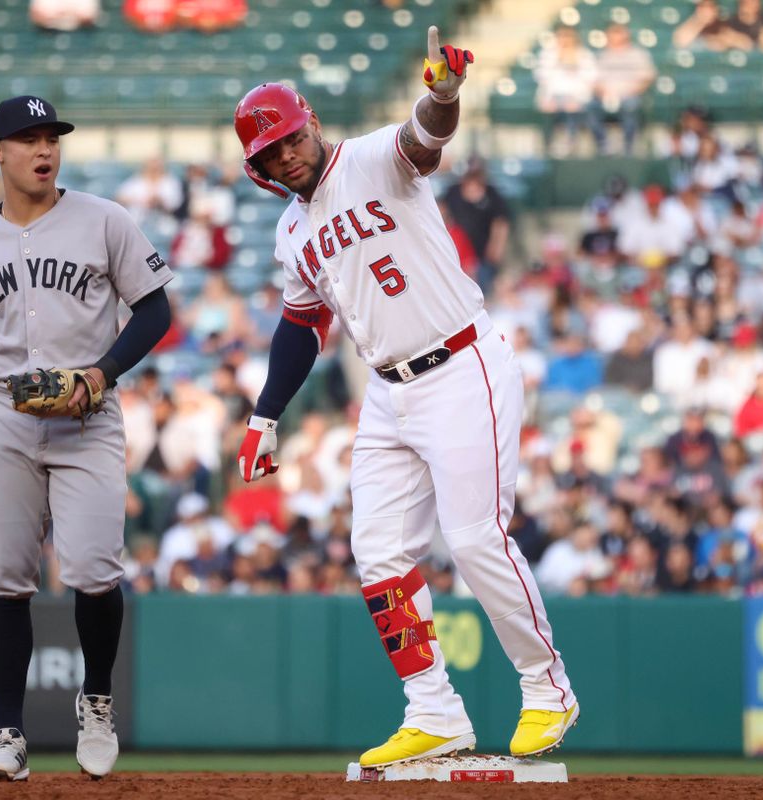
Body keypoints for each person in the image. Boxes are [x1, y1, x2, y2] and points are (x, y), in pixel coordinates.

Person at [231, 28, 577, 767]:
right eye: (270, 155)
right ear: (258, 169)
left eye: (290, 140)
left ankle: (548, 686)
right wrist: (264, 414)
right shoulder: (292, 232)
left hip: (461, 364)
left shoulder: (367, 157)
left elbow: (424, 140)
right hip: (388, 394)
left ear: (311, 123)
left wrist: (443, 95)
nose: (286, 156)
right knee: (377, 551)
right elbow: (301, 324)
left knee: (476, 537)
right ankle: (434, 710)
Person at [0, 96, 173, 781]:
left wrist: (104, 371)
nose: (44, 149)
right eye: (27, 138)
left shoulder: (104, 220)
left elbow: (154, 309)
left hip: (88, 413)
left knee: (94, 568)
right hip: (6, 412)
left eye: (51, 137)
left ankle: (96, 700)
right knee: (5, 578)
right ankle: (9, 736)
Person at [442, 157, 510, 294]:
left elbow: (501, 223)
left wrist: (497, 247)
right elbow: (442, 212)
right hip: (459, 252)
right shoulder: (454, 191)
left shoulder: (492, 194)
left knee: (482, 291)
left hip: (482, 254)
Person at [533, 25, 599, 155]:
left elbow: (591, 79)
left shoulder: (584, 55)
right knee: (548, 110)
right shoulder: (548, 54)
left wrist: (575, 64)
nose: (565, 40)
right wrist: (558, 59)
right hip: (553, 97)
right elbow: (541, 77)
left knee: (572, 108)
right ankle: (547, 146)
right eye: (561, 36)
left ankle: (571, 144)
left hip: (577, 97)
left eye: (568, 36)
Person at [592, 24, 656, 154]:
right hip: (605, 96)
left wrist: (629, 91)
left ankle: (628, 146)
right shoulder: (601, 55)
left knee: (630, 105)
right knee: (590, 106)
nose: (616, 37)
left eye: (619, 33)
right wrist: (605, 93)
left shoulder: (638, 54)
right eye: (613, 33)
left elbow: (648, 78)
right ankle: (602, 145)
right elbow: (593, 81)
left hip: (630, 94)